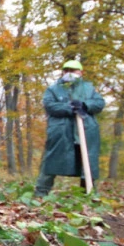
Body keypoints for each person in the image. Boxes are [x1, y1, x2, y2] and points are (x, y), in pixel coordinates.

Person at [34, 60, 105, 197]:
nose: (69, 73)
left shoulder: (89, 88)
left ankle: (88, 193)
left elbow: (99, 103)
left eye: (73, 70)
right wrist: (69, 107)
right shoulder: (53, 89)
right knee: (51, 161)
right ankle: (41, 193)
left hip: (86, 132)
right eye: (66, 70)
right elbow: (49, 105)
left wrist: (84, 105)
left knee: (87, 163)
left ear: (81, 72)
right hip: (61, 132)